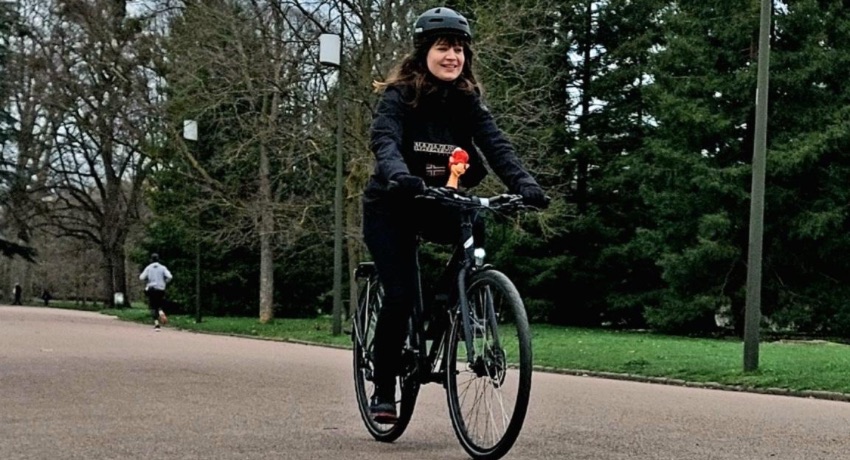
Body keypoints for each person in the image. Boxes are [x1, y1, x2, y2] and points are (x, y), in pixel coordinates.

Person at [363, 6, 549, 424]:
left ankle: (451, 304)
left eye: (460, 50)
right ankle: (383, 385)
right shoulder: (399, 96)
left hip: (438, 201)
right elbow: (385, 140)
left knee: (477, 224)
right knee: (400, 294)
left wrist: (525, 185)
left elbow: (496, 144)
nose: (453, 57)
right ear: (424, 51)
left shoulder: (466, 101)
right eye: (444, 48)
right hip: (392, 205)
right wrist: (397, 174)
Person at [139, 253, 173, 331]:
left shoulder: (148, 268)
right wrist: (165, 281)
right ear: (158, 259)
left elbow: (141, 277)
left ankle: (157, 324)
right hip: (161, 289)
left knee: (153, 306)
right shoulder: (163, 268)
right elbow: (170, 276)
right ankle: (161, 311)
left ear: (151, 260)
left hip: (152, 289)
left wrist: (147, 279)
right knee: (159, 303)